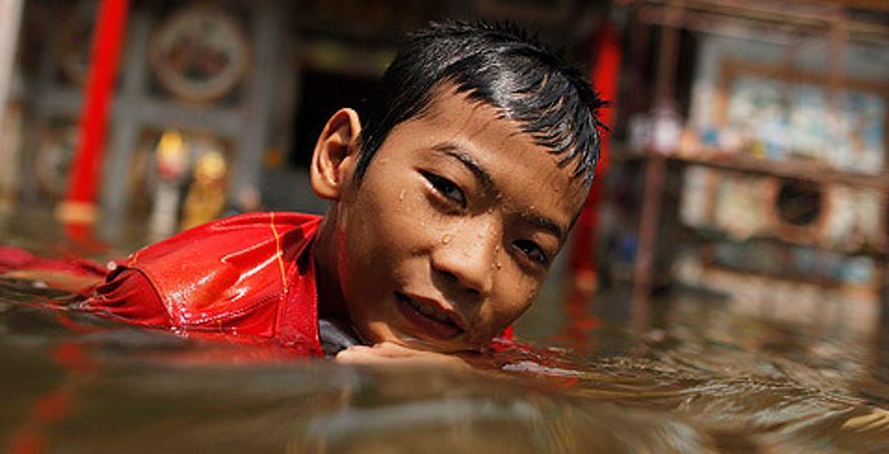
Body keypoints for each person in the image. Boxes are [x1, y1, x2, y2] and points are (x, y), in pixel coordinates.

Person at [80, 20, 604, 364]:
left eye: (529, 248)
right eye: (448, 189)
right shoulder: (173, 308)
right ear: (340, 158)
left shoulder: (465, 327)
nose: (472, 268)